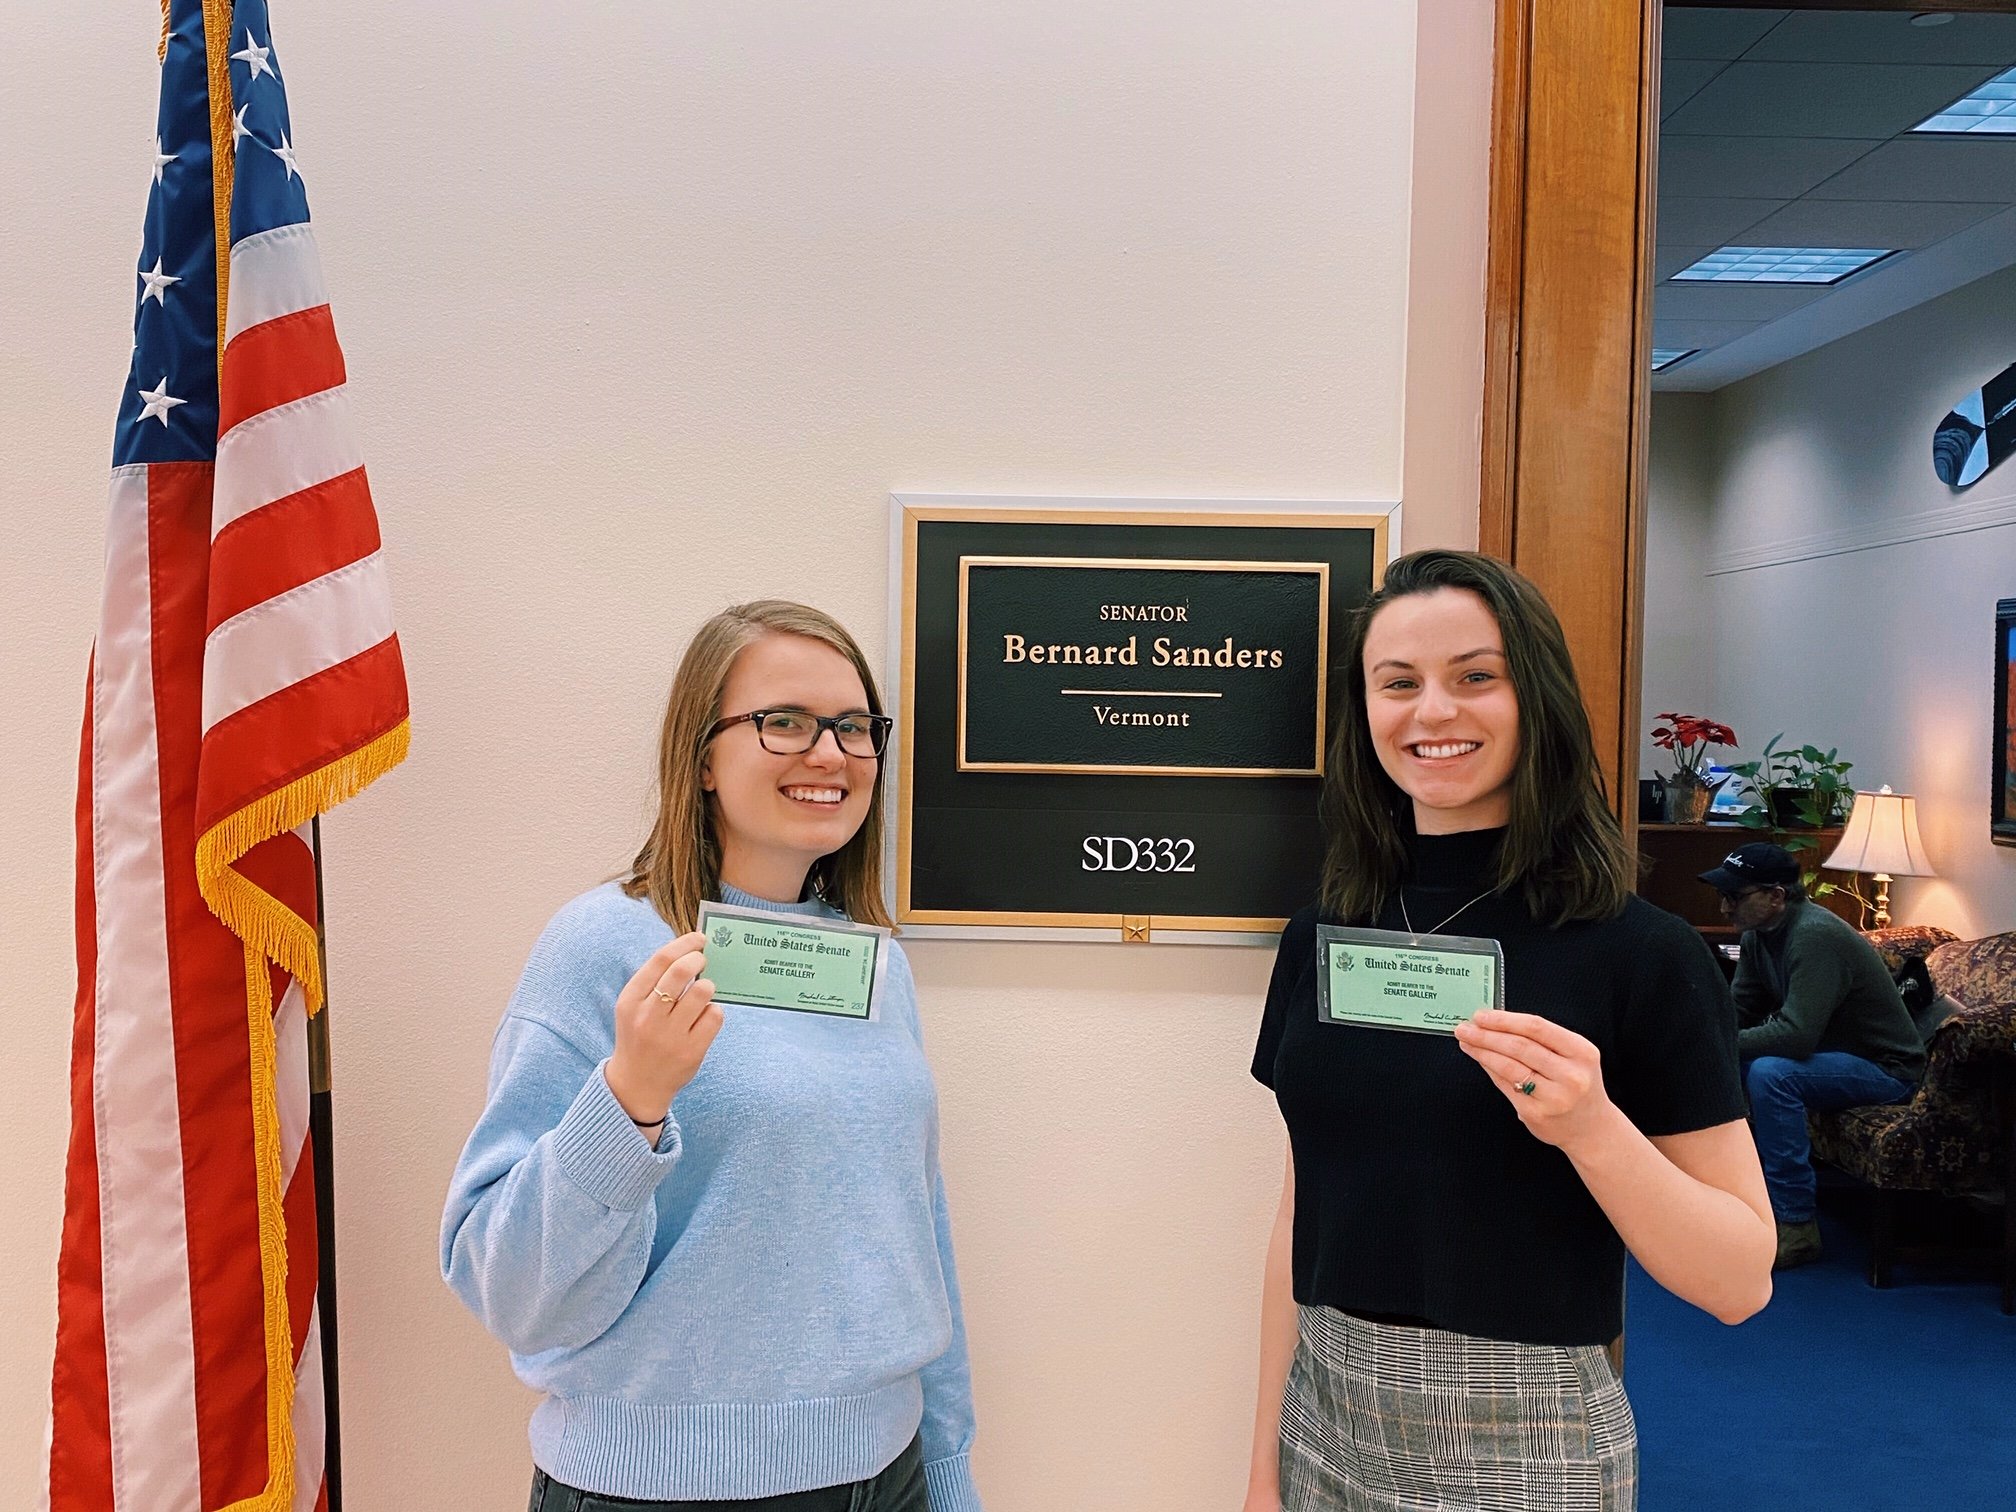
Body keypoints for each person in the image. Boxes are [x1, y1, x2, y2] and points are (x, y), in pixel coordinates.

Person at [1242, 550, 1775, 1512]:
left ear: (1538, 699)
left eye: (1475, 677)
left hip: (1527, 1440)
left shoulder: (1639, 952)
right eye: (1397, 684)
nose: (1433, 713)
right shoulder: (1322, 933)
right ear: (1363, 715)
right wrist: (1261, 1468)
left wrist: (1592, 1127)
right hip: (1322, 1418)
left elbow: (1740, 1280)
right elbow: (1300, 1212)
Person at [442, 600, 981, 1511]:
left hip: (884, 1476)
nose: (831, 754)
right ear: (700, 756)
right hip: (657, 1490)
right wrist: (629, 1103)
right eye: (786, 722)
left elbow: (915, 1231)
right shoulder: (603, 945)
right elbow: (508, 1290)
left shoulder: (877, 966)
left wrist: (950, 1468)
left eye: (855, 728)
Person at [1699, 841, 1925, 1271]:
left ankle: (1797, 1224)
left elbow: (1795, 1037)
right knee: (1733, 1061)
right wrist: (1699, 1042)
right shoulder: (1759, 935)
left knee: (1770, 1073)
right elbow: (1737, 1013)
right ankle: (1737, 1201)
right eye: (1723, 896)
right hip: (1833, 1058)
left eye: (1735, 896)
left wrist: (1717, 1043)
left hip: (1887, 1069)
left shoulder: (1814, 937)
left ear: (1776, 896)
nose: (1725, 908)